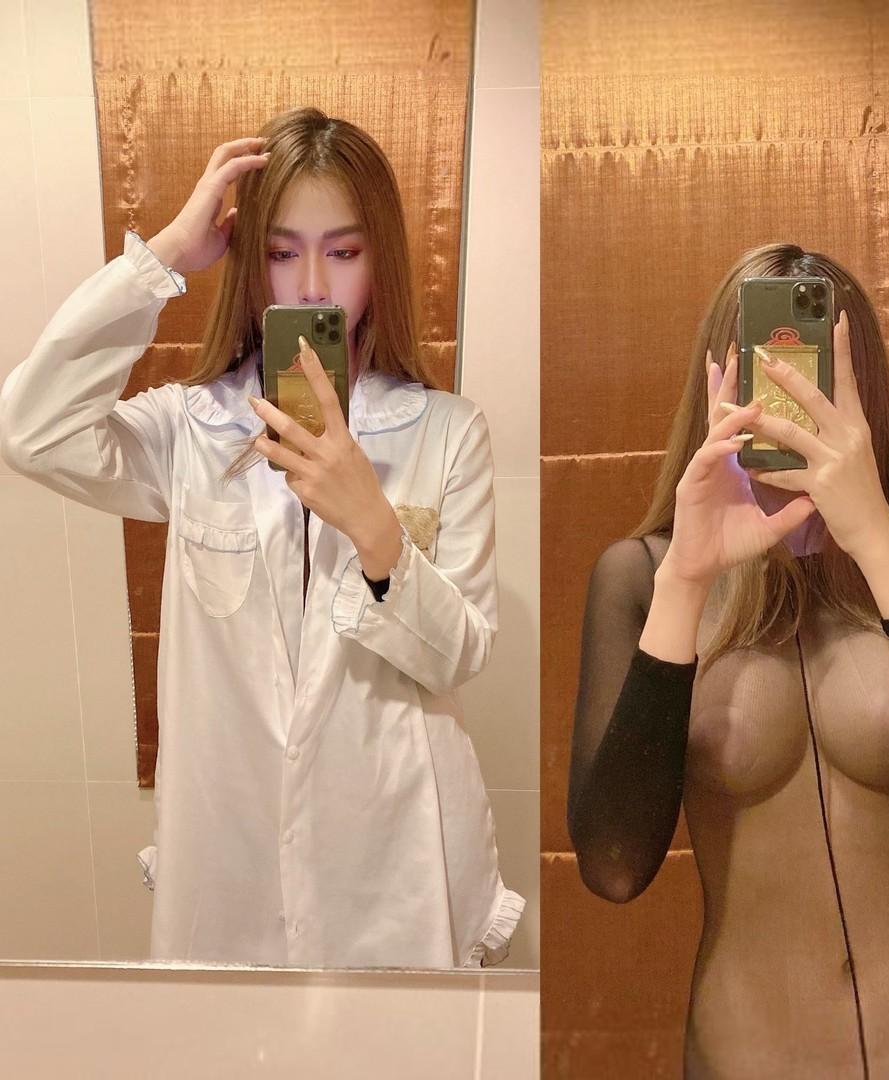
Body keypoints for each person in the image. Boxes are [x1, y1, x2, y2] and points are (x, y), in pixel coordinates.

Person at [0, 107, 524, 969]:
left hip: (392, 857)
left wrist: (374, 527)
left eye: (343, 253)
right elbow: (31, 430)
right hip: (231, 858)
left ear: (380, 261)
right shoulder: (192, 428)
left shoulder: (446, 433)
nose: (312, 286)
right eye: (282, 253)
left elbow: (459, 653)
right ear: (250, 264)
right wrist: (164, 257)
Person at [567, 243, 889, 1076]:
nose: (787, 397)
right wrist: (687, 580)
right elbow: (615, 867)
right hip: (754, 1054)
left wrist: (875, 535)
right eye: (765, 370)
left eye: (812, 370)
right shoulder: (643, 578)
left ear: (860, 385)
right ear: (719, 379)